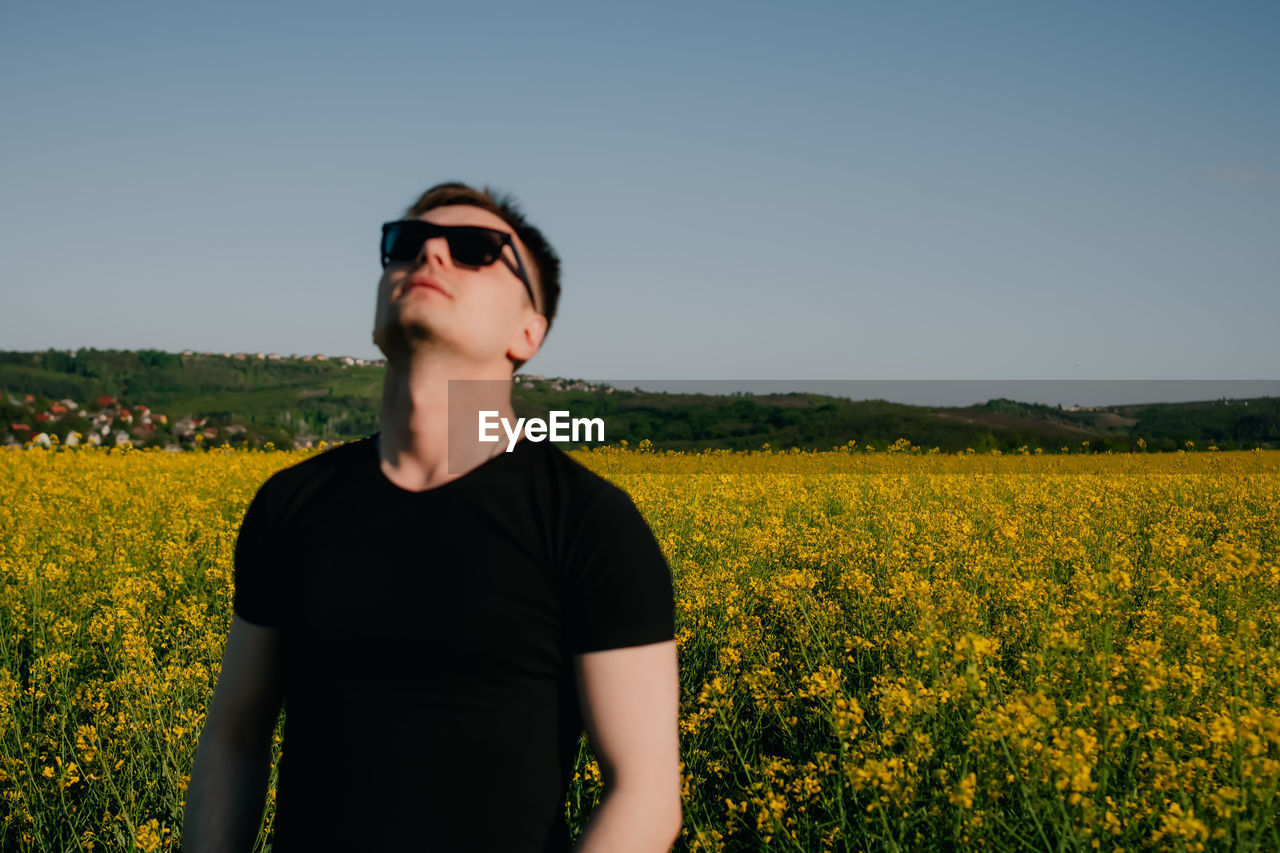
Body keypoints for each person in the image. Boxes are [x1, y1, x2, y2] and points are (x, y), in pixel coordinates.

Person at [184, 182, 682, 852]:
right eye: (405, 242)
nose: (431, 255)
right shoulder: (290, 503)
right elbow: (235, 739)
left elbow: (646, 796)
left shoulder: (590, 522)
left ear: (527, 333)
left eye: (476, 250)